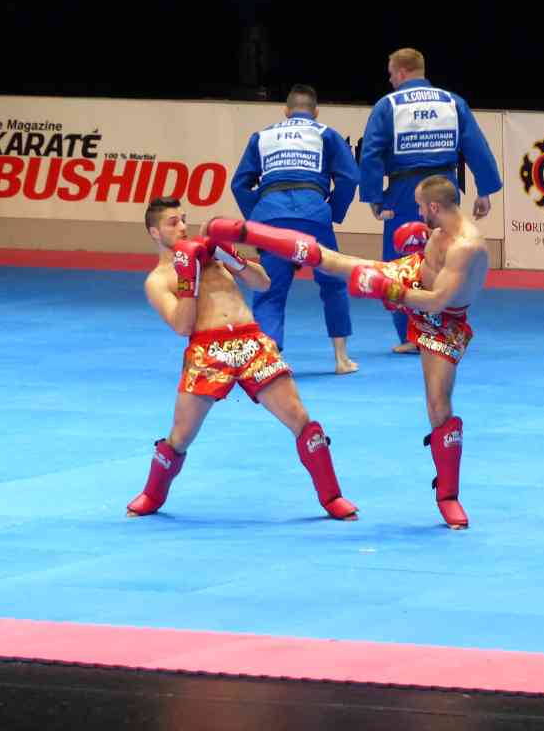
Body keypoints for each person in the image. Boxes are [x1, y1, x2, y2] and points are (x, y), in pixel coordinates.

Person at [204, 175, 488, 529]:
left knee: (438, 406)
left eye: (420, 206)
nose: (417, 212)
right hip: (413, 276)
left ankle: (448, 497)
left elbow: (437, 301)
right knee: (330, 260)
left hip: (442, 318)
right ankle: (247, 233)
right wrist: (400, 278)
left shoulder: (466, 247)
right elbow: (423, 277)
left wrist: (389, 291)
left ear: (434, 206)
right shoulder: (438, 231)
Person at [126, 196, 358, 521]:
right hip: (207, 350)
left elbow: (263, 283)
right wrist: (188, 278)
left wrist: (230, 257)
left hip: (250, 341)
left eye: (184, 219)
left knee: (300, 418)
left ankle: (332, 497)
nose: (182, 227)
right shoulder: (158, 280)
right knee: (180, 436)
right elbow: (182, 326)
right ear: (154, 232)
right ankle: (152, 495)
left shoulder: (212, 255)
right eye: (172, 222)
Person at [358, 47, 502, 353]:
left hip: (405, 191)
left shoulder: (388, 105)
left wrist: (374, 197)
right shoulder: (452, 102)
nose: (390, 80)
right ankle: (445, 328)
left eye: (390, 74)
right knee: (446, 258)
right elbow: (476, 146)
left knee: (401, 260)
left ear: (401, 72)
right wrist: (484, 190)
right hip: (444, 186)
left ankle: (411, 337)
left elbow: (371, 153)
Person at [231, 83, 360, 374]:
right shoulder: (325, 133)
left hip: (271, 215)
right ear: (316, 112)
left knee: (270, 289)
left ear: (286, 111)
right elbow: (350, 177)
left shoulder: (262, 136)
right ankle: (341, 359)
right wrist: (333, 211)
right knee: (333, 284)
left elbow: (239, 184)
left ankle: (269, 359)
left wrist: (258, 221)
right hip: (313, 213)